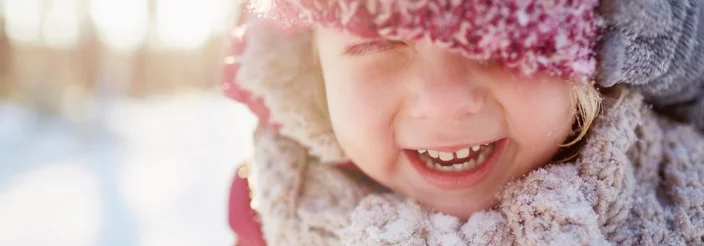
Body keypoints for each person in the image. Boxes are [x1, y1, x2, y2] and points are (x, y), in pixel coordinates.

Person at [224, 0, 704, 245]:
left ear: (590, 63)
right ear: (313, 77)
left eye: (498, 43)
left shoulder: (681, 202)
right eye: (377, 43)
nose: (445, 100)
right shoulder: (273, 220)